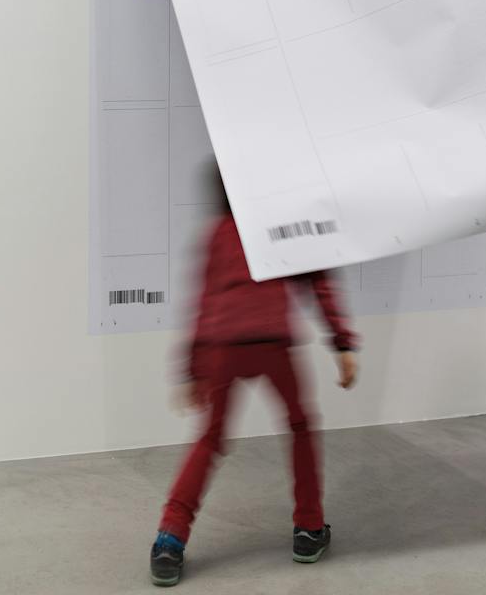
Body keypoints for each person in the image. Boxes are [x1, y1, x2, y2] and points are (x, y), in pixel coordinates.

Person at [150, 163, 359, 587]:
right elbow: (318, 281)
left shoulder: (217, 233)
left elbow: (202, 302)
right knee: (300, 427)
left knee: (210, 438)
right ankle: (309, 528)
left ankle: (170, 538)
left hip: (223, 346)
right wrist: (341, 342)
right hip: (272, 343)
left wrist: (192, 369)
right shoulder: (280, 227)